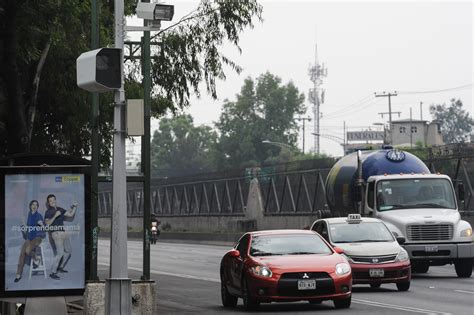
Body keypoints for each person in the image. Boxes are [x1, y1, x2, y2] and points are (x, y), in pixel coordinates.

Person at [44, 194, 77, 280]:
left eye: (53, 199)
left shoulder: (60, 209)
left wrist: (74, 207)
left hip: (63, 232)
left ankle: (60, 267)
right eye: (50, 201)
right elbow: (47, 223)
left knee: (68, 251)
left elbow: (70, 215)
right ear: (48, 203)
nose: (52, 202)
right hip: (56, 233)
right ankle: (53, 272)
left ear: (55, 200)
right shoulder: (48, 212)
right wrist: (55, 216)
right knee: (60, 253)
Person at [14, 200, 45, 282]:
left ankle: (36, 257)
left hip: (37, 237)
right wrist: (24, 224)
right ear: (30, 206)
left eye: (36, 205)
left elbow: (43, 228)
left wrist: (41, 224)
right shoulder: (28, 215)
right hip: (29, 238)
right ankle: (18, 274)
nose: (34, 206)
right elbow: (26, 232)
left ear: (38, 207)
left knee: (28, 251)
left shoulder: (38, 215)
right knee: (22, 254)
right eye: (33, 204)